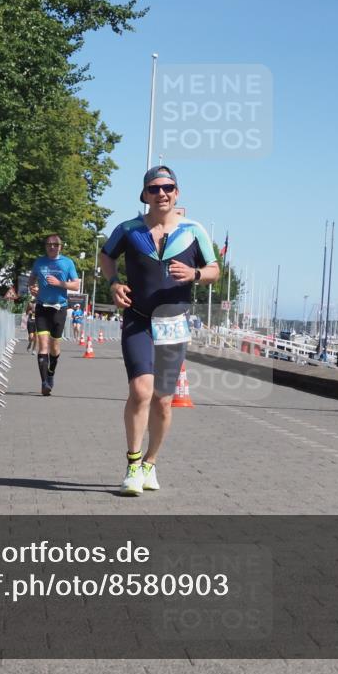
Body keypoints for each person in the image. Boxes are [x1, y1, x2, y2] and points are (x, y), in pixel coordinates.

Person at [99, 166, 219, 495]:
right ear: (145, 194)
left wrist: (195, 275)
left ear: (177, 193)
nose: (161, 193)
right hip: (138, 318)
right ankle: (133, 465)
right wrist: (114, 283)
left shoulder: (194, 231)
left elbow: (214, 270)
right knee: (140, 391)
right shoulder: (128, 229)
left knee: (164, 401)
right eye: (154, 188)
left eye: (168, 187)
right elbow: (105, 256)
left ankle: (150, 463)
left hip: (173, 323)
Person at [28, 234, 80, 396]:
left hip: (60, 308)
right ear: (45, 246)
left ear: (60, 246)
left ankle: (50, 374)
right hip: (42, 306)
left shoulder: (67, 263)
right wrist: (32, 287)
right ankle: (44, 383)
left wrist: (60, 284)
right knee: (42, 345)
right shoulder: (39, 262)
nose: (52, 247)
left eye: (55, 245)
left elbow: (76, 284)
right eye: (49, 244)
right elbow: (32, 280)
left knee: (54, 347)